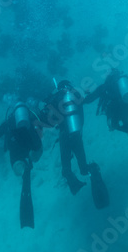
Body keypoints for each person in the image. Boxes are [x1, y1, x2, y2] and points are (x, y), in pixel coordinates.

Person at [40, 79, 109, 208]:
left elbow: (47, 122)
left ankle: (75, 185)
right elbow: (90, 99)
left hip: (64, 137)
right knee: (84, 168)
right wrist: (103, 86)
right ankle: (93, 172)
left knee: (66, 168)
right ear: (69, 86)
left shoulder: (56, 99)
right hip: (76, 136)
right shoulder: (75, 94)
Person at [0, 101, 43, 228]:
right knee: (34, 153)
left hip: (15, 152)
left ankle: (23, 169)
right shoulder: (29, 118)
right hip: (29, 148)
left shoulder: (8, 122)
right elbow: (40, 126)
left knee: (18, 166)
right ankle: (29, 163)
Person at [84, 70, 128, 138]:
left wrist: (85, 95)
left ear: (109, 76)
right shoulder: (123, 86)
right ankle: (127, 125)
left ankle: (116, 126)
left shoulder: (104, 86)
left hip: (113, 110)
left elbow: (89, 100)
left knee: (113, 125)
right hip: (126, 107)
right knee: (125, 122)